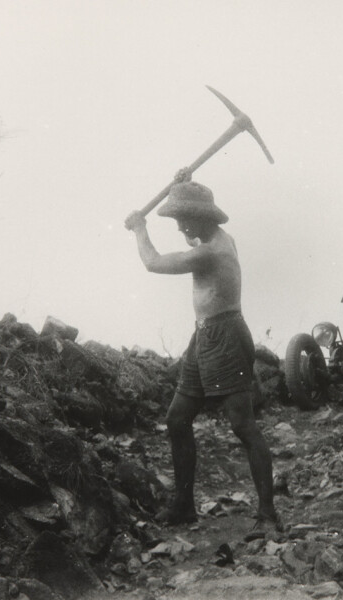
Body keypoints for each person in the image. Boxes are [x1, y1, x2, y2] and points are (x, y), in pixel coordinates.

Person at [124, 171, 281, 532]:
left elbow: (154, 263)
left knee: (243, 425)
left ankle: (268, 514)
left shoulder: (211, 252)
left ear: (201, 218)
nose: (180, 228)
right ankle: (183, 505)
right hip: (204, 336)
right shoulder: (220, 237)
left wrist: (139, 228)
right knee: (177, 418)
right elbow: (192, 228)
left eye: (183, 220)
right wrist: (185, 186)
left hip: (226, 337)